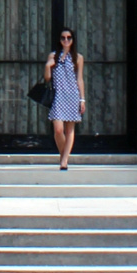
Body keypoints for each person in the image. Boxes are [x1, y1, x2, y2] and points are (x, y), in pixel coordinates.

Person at [44, 28, 85, 170]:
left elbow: (79, 79)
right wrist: (48, 66)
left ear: (73, 40)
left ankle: (64, 161)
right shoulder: (54, 56)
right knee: (58, 130)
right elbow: (47, 78)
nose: (66, 40)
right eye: (63, 38)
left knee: (69, 130)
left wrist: (82, 99)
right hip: (58, 96)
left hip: (72, 95)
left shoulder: (78, 57)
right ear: (59, 40)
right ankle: (64, 155)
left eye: (69, 38)